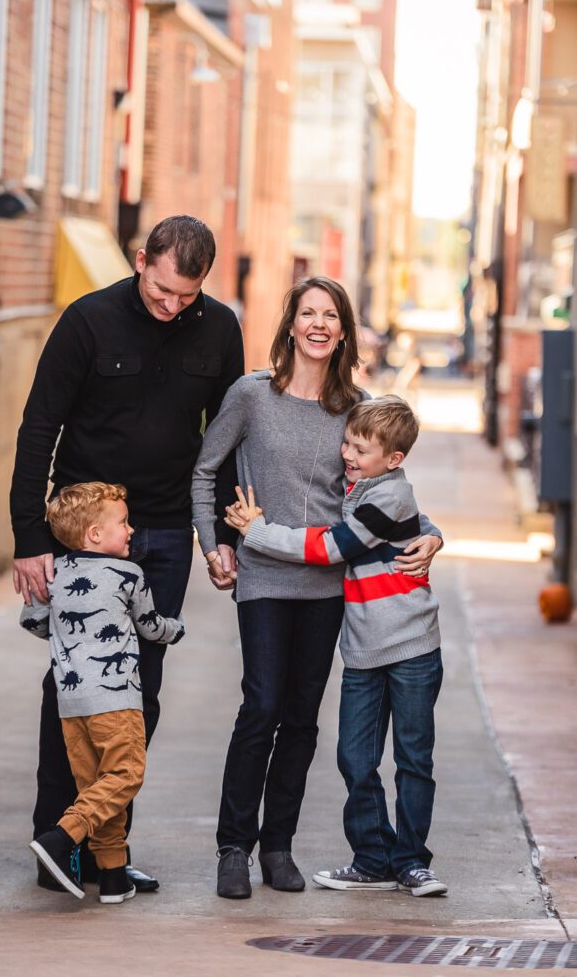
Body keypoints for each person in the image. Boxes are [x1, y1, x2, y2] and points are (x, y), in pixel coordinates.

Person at [10, 216, 244, 892]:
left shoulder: (219, 328)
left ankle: (102, 849)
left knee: (139, 695)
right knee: (74, 686)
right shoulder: (87, 320)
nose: (171, 306)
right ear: (141, 260)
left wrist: (221, 537)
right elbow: (38, 427)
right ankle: (58, 847)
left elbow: (226, 441)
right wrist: (29, 536)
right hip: (83, 538)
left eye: (185, 296)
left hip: (163, 532)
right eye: (162, 290)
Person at [191, 277, 442, 899]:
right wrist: (214, 543)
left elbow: (387, 496)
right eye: (308, 313)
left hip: (330, 586)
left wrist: (433, 534)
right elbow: (204, 470)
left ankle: (278, 847)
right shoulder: (251, 395)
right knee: (261, 706)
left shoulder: (356, 408)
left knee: (302, 718)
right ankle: (234, 846)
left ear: (344, 331)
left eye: (331, 315)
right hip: (263, 576)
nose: (319, 325)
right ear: (291, 324)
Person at [226, 396, 447, 897]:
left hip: (411, 645)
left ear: (393, 459)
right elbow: (412, 521)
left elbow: (331, 547)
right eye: (346, 442)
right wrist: (433, 534)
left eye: (360, 449)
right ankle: (373, 859)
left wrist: (257, 532)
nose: (346, 453)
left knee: (413, 759)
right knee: (354, 758)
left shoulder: (388, 495)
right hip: (363, 650)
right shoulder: (362, 485)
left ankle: (412, 862)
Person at [21, 482, 185, 903]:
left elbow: (33, 620)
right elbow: (150, 626)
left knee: (96, 785)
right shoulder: (129, 574)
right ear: (95, 534)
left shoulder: (56, 572)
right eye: (124, 523)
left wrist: (68, 635)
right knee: (125, 776)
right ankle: (62, 836)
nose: (131, 530)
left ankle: (112, 877)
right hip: (116, 699)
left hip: (71, 703)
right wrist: (176, 629)